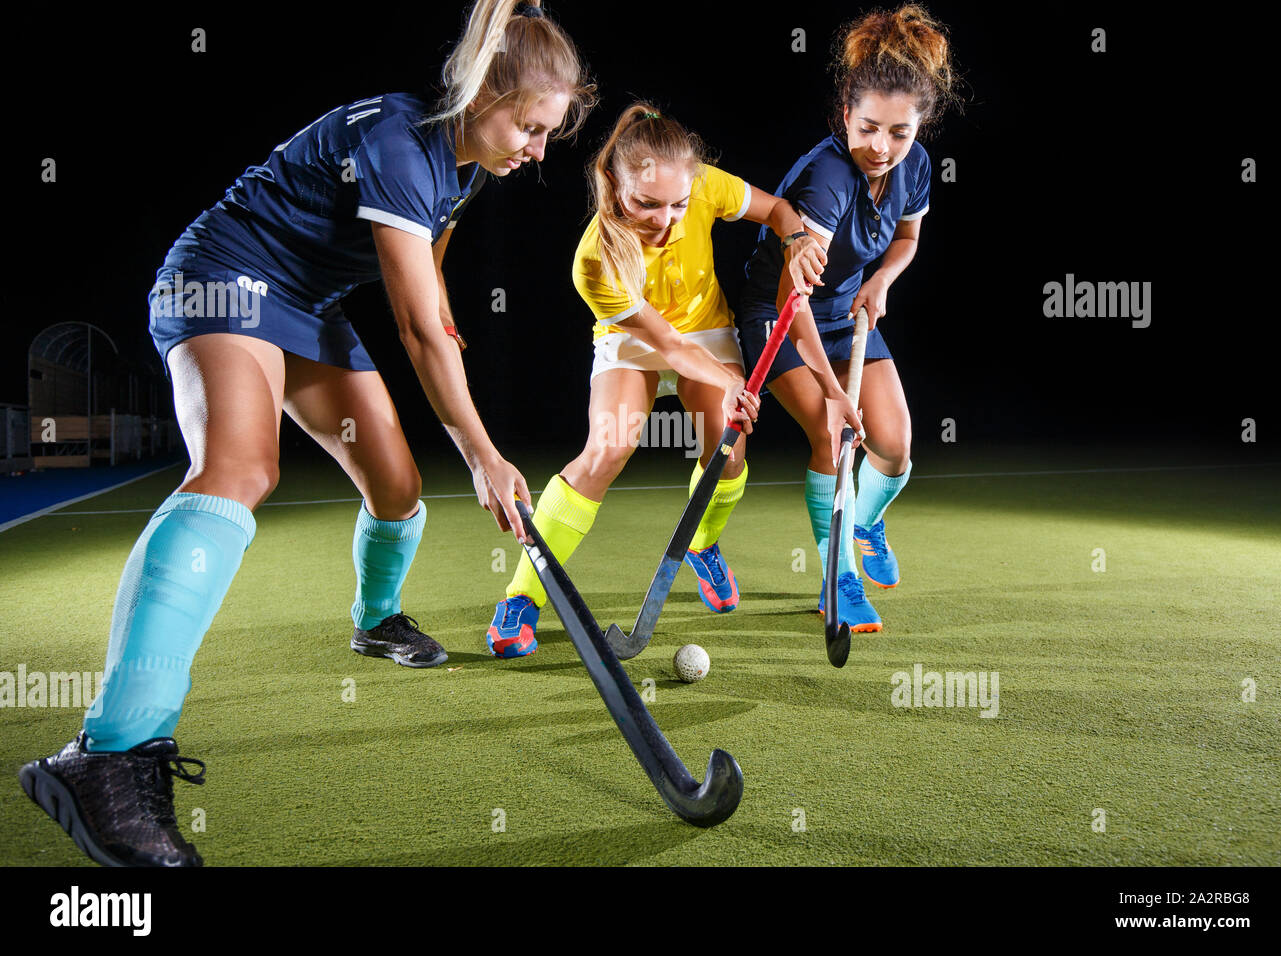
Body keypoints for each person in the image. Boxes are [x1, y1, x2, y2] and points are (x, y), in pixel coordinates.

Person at [17, 0, 595, 867]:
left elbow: (430, 251)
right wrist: (483, 449)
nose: (538, 150)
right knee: (244, 467)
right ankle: (108, 755)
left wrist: (437, 294)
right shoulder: (400, 141)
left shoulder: (469, 165)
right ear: (480, 92)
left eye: (550, 133)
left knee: (396, 489)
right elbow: (413, 331)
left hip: (304, 308)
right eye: (530, 125)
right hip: (219, 278)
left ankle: (375, 620)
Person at [484, 103, 862, 658]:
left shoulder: (707, 184)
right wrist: (728, 380)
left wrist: (796, 240)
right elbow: (665, 345)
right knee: (607, 449)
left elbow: (780, 209)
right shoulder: (594, 259)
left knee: (729, 450)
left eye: (679, 205)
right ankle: (523, 595)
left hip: (705, 328)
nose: (665, 221)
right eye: (647, 204)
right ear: (614, 185)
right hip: (638, 337)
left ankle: (701, 545)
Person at [736, 4, 957, 633]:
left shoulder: (913, 166)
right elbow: (790, 299)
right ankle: (839, 582)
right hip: (778, 318)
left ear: (918, 128)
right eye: (868, 129)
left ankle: (863, 519)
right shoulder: (828, 180)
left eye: (899, 133)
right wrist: (835, 393)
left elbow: (907, 241)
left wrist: (881, 280)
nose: (881, 148)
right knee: (834, 439)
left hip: (846, 312)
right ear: (845, 115)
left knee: (894, 448)